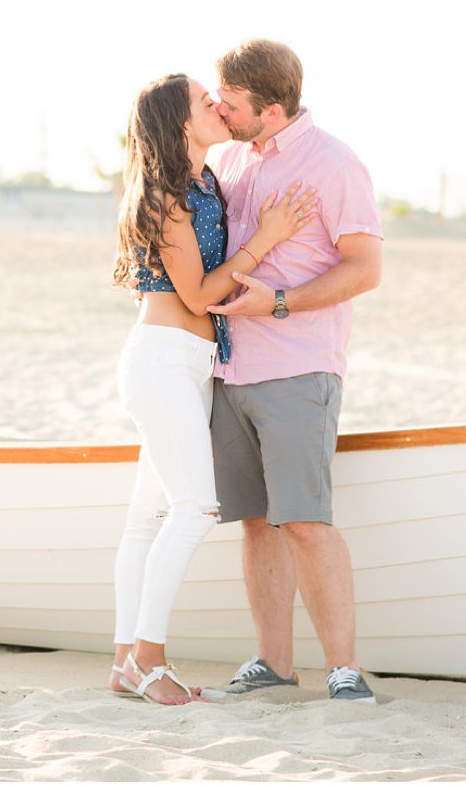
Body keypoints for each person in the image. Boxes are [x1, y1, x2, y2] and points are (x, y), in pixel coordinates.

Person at [109, 72, 316, 704]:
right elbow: (198, 294)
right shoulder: (168, 194)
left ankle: (124, 661)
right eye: (206, 102)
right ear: (180, 123)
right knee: (195, 507)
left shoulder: (206, 181)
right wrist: (267, 240)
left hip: (190, 362)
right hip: (164, 360)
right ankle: (148, 660)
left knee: (149, 515)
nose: (218, 106)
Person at [200, 39, 384, 703]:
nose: (219, 108)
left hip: (298, 367)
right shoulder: (224, 155)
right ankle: (273, 661)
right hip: (228, 369)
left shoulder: (333, 163)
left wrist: (278, 301)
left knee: (303, 519)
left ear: (272, 109)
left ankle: (344, 669)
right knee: (255, 521)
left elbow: (366, 268)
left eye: (231, 102)